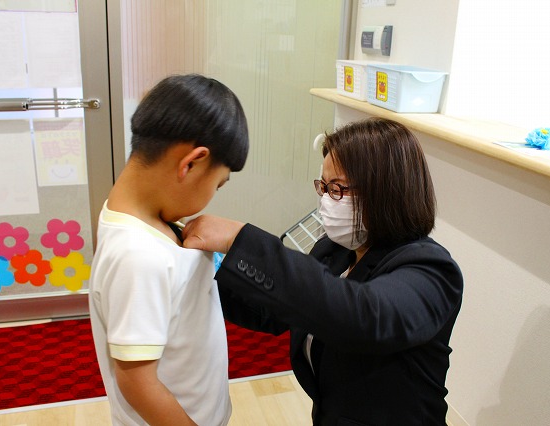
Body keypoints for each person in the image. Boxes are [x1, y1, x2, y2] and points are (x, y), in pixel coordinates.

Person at [183, 117, 464, 426]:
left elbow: (362, 316)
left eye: (338, 189)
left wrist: (242, 241)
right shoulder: (335, 251)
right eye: (324, 188)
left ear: (385, 191)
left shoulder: (432, 270)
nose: (326, 203)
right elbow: (274, 310)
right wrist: (203, 268)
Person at [88, 74, 248, 426]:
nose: (213, 196)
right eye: (218, 184)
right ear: (190, 163)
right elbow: (138, 382)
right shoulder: (138, 256)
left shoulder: (140, 215)